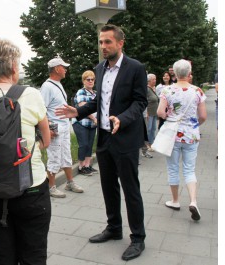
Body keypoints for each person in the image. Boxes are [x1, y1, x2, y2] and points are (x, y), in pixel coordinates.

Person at [55, 24, 147, 261]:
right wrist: (78, 111)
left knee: (130, 188)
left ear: (120, 43)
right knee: (108, 186)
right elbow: (99, 103)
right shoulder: (100, 68)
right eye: (101, 42)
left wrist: (122, 119)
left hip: (125, 138)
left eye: (108, 42)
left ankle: (138, 238)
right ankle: (114, 228)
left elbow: (140, 102)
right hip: (104, 138)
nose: (103, 46)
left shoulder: (135, 68)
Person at [0, 37, 51, 265]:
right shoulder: (30, 95)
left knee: (1, 259)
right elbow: (46, 140)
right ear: (12, 68)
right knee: (33, 256)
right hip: (29, 189)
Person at [157, 59, 207, 221]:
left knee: (173, 168)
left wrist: (170, 118)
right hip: (191, 135)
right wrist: (194, 125)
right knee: (189, 169)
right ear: (189, 72)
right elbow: (203, 116)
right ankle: (193, 201)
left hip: (173, 135)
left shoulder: (167, 90)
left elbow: (160, 112)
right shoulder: (197, 91)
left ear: (175, 73)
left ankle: (175, 201)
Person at [40, 57, 84, 198]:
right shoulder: (47, 87)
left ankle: (70, 182)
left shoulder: (57, 84)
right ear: (57, 69)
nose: (65, 69)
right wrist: (48, 130)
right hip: (55, 128)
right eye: (63, 67)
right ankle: (51, 187)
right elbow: (42, 110)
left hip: (64, 126)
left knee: (66, 155)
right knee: (54, 157)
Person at [72, 70, 99, 175]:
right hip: (81, 123)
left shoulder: (96, 93)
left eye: (92, 79)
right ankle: (81, 166)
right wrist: (94, 118)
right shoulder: (81, 92)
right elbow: (84, 108)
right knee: (83, 144)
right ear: (84, 81)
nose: (91, 81)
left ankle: (87, 166)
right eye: (88, 79)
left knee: (90, 145)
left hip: (92, 124)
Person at [146, 73, 159, 150]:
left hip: (154, 112)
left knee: (154, 128)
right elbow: (144, 101)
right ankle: (147, 144)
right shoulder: (147, 89)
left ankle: (152, 143)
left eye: (155, 79)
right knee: (149, 129)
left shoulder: (153, 88)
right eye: (153, 79)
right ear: (149, 80)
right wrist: (146, 112)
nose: (155, 81)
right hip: (149, 112)